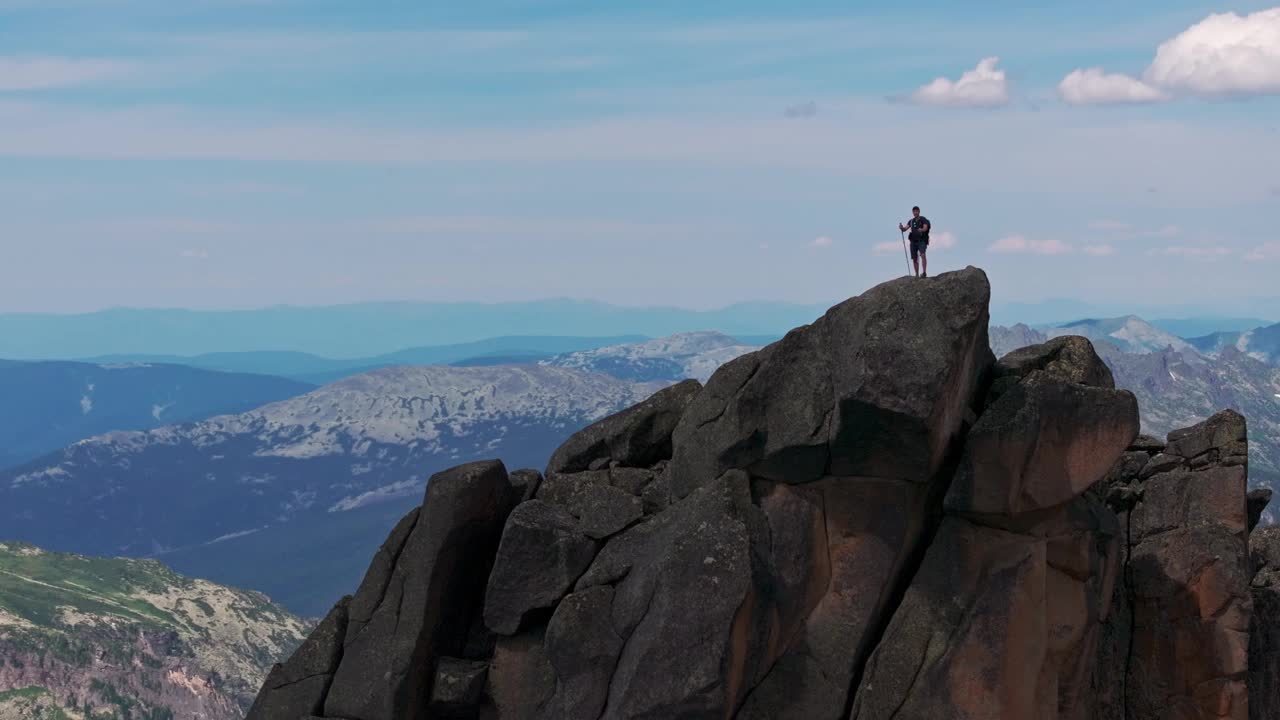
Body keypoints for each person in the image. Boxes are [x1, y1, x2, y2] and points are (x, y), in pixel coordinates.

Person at [898, 206, 931, 278]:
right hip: (913, 242)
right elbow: (905, 229)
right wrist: (901, 227)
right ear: (912, 212)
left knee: (923, 255)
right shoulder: (911, 221)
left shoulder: (923, 219)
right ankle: (916, 274)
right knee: (914, 258)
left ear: (919, 211)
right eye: (914, 211)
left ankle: (924, 272)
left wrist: (921, 230)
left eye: (916, 211)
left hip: (922, 240)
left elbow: (925, 227)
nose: (915, 212)